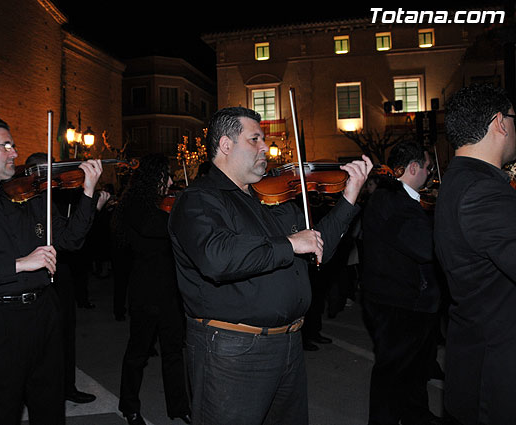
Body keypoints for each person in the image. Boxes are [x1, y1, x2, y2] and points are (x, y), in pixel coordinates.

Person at [168, 106, 372, 425]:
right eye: (255, 139)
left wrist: (349, 199)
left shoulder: (271, 198)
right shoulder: (199, 199)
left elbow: (319, 246)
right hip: (232, 350)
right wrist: (290, 243)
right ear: (225, 145)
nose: (266, 147)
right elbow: (216, 258)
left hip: (288, 343)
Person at [0, 117, 103, 424]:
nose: (14, 153)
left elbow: (70, 240)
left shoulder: (30, 197)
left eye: (13, 146)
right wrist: (20, 264)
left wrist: (88, 194)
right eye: (6, 146)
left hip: (43, 315)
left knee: (50, 408)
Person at [434, 83, 516, 425]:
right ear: (500, 122)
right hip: (496, 377)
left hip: (479, 361)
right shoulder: (482, 192)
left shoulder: (461, 180)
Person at [361, 141, 442, 425]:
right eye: (428, 168)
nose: (431, 174)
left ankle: (416, 415)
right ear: (413, 168)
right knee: (392, 372)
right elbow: (424, 246)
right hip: (396, 303)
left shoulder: (397, 197)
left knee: (413, 370)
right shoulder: (392, 200)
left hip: (401, 300)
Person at [23, 151, 109, 404]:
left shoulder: (47, 201)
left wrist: (90, 197)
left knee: (65, 334)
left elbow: (72, 238)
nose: (53, 180)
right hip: (28, 283)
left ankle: (66, 387)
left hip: (59, 274)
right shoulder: (18, 201)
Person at [114, 153, 191, 425]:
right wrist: (182, 213)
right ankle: (129, 406)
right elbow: (151, 227)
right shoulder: (135, 204)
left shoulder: (163, 205)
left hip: (170, 291)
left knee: (173, 352)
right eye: (166, 176)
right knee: (138, 353)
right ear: (153, 178)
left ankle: (180, 407)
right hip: (145, 291)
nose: (171, 181)